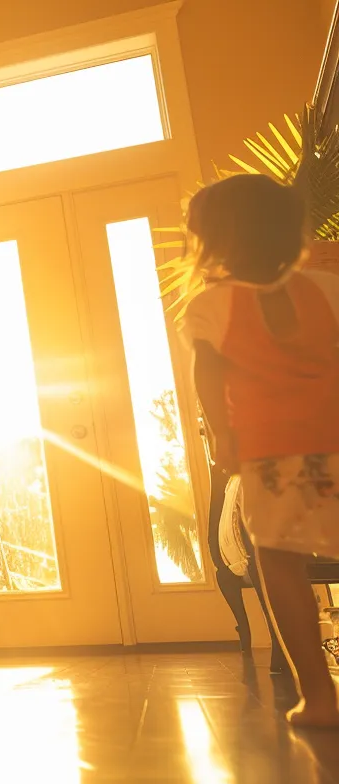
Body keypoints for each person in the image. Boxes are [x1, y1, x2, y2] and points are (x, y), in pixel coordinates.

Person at [177, 173, 339, 728]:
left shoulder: (210, 306)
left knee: (279, 562)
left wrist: (223, 436)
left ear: (215, 243)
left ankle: (319, 697)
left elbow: (208, 380)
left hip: (271, 456)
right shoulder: (326, 287)